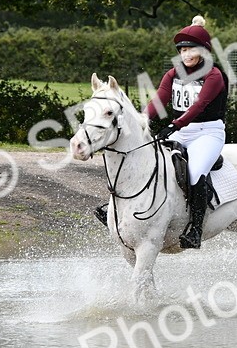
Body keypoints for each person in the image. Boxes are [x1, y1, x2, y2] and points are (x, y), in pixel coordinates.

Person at [95, 15, 228, 249]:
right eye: (182, 50)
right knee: (151, 160)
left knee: (195, 173)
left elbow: (199, 106)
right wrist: (142, 120)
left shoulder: (214, 75)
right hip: (183, 130)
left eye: (191, 50)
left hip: (208, 133)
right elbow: (159, 100)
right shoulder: (173, 74)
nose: (186, 55)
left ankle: (195, 229)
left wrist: (175, 125)